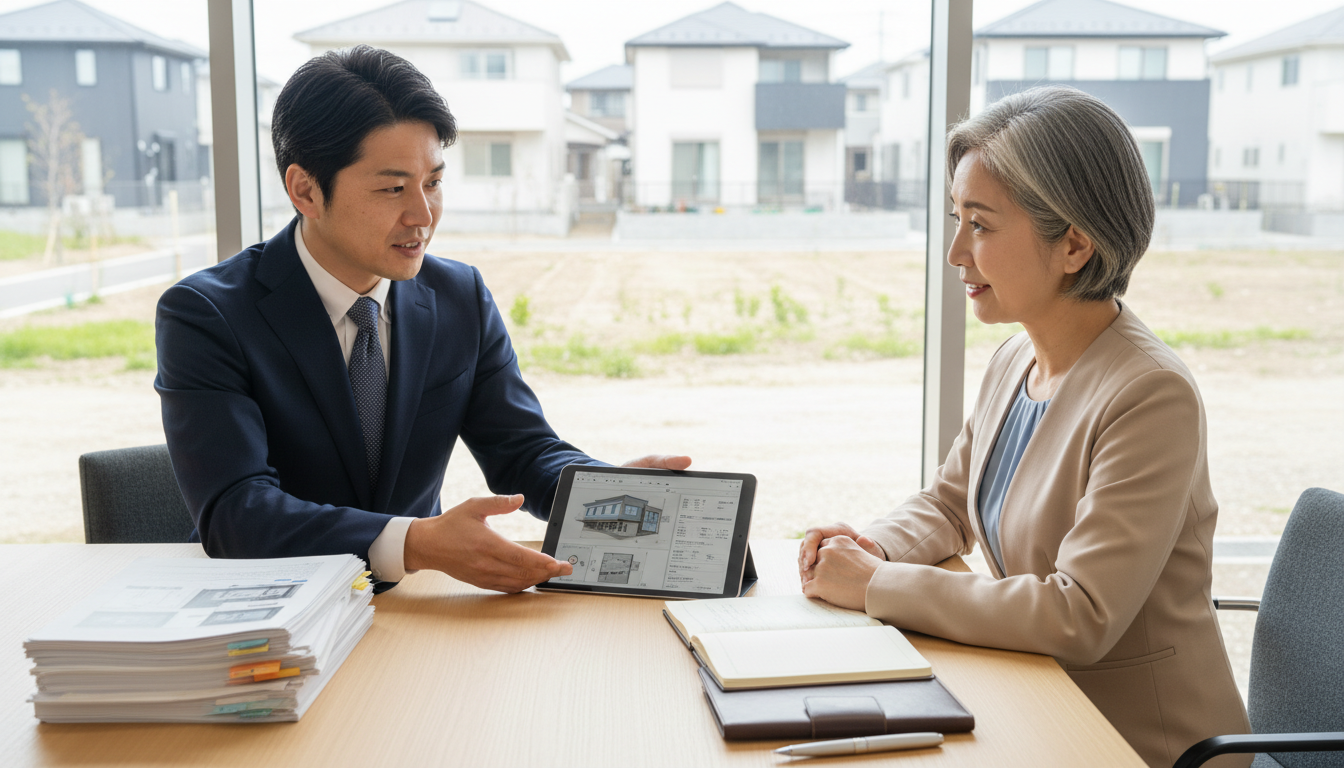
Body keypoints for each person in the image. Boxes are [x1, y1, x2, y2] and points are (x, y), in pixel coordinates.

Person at [797, 86, 1250, 768]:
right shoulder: (1017, 356)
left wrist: (871, 585)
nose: (955, 252)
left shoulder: (1151, 393)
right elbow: (949, 505)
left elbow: (1081, 614)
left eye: (979, 225)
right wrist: (873, 548)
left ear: (1073, 245)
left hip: (1140, 745)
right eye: (957, 219)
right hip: (1040, 705)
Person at [155, 45, 688, 594]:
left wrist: (603, 492)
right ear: (306, 190)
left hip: (412, 612)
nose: (424, 216)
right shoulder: (207, 314)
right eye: (392, 188)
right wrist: (414, 543)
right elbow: (238, 513)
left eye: (432, 182)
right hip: (275, 611)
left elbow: (524, 451)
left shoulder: (460, 295)